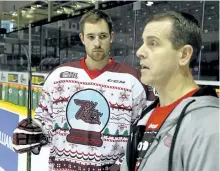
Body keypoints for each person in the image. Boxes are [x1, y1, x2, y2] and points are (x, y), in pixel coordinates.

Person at [12, 9, 152, 171]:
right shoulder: (59, 76)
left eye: (103, 36)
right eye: (91, 37)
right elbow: (46, 121)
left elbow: (142, 134)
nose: (97, 43)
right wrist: (32, 133)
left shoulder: (132, 79)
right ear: (82, 38)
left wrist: (123, 166)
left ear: (111, 37)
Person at [121, 11, 219, 171]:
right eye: (143, 43)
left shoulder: (210, 125)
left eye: (152, 43)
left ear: (184, 54)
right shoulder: (146, 116)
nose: (139, 51)